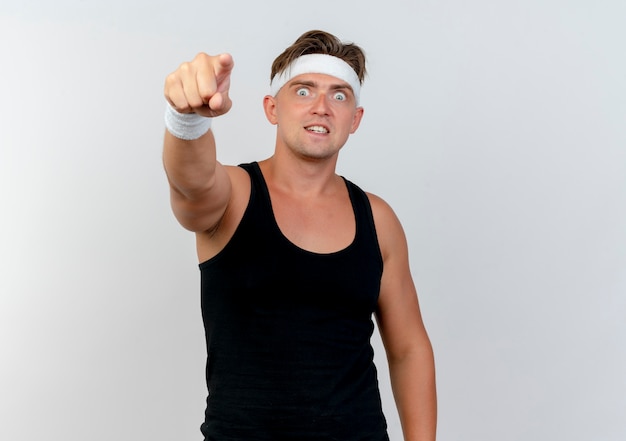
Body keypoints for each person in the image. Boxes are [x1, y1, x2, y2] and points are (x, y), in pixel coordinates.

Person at [162, 30, 436, 441]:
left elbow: (409, 348)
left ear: (355, 119)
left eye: (339, 96)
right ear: (273, 108)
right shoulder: (234, 195)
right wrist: (187, 119)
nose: (322, 108)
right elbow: (192, 184)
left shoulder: (377, 219)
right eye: (304, 91)